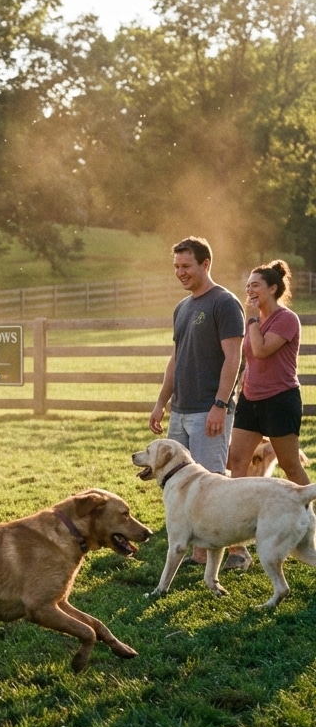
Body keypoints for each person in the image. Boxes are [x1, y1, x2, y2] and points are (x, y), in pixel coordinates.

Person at [149, 236, 245, 565]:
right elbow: (175, 359)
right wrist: (162, 402)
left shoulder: (225, 303)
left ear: (206, 264)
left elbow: (234, 357)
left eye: (186, 266)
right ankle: (200, 553)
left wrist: (220, 404)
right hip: (181, 409)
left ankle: (237, 550)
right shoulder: (183, 307)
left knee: (214, 485)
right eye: (176, 267)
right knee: (179, 482)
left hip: (209, 408)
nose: (180, 272)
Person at [227, 260, 309, 487]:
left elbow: (262, 350)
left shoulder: (286, 319)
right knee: (236, 460)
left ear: (272, 288)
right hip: (250, 399)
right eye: (247, 287)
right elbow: (250, 357)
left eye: (255, 285)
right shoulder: (254, 321)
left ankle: (308, 514)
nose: (249, 291)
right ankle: (240, 514)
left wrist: (252, 318)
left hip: (280, 400)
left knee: (290, 465)